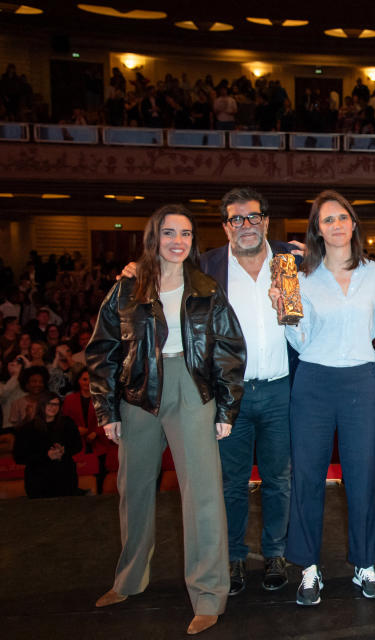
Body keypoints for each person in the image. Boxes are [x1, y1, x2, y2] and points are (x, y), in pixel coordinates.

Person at [86, 204, 246, 635]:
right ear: (154, 237)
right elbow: (102, 351)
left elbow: (230, 350)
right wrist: (107, 409)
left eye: (187, 234)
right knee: (133, 490)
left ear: (194, 241)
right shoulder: (127, 288)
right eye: (170, 233)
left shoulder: (207, 287)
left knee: (204, 497)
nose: (178, 241)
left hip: (192, 391)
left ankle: (209, 594)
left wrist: (226, 409)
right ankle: (129, 580)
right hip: (137, 394)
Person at [271, 191, 375, 606]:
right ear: (317, 229)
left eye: (342, 217)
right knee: (307, 477)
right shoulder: (298, 275)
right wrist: (284, 315)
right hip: (313, 381)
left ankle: (365, 563)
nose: (336, 225)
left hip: (362, 382)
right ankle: (308, 567)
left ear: (353, 224)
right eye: (327, 220)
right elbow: (300, 339)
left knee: (362, 477)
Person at [200, 188, 298, 596]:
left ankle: (275, 553)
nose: (246, 226)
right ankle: (235, 557)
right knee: (231, 483)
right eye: (236, 219)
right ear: (225, 225)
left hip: (280, 390)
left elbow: (342, 264)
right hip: (231, 396)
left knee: (279, 479)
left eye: (253, 217)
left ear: (266, 221)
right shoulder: (207, 267)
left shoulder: (290, 262)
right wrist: (136, 267)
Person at [13, 391, 81, 498]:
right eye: (49, 404)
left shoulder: (67, 424)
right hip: (39, 481)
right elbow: (19, 457)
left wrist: (64, 450)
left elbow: (77, 446)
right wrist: (46, 456)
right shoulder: (27, 429)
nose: (53, 407)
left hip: (65, 478)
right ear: (41, 405)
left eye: (56, 404)